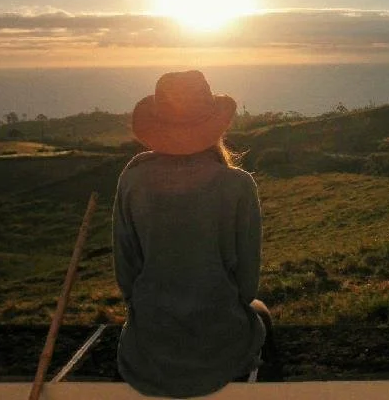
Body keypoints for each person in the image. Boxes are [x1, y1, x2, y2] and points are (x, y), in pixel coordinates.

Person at [112, 70, 273, 397]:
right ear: (214, 124)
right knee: (261, 312)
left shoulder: (131, 182)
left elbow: (126, 278)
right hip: (220, 347)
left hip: (148, 350)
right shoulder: (238, 185)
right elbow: (246, 287)